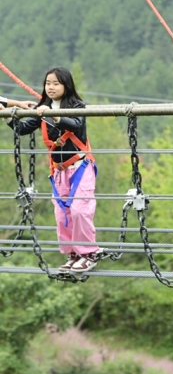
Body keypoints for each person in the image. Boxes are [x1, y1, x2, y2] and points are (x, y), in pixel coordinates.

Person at [5, 67, 99, 273]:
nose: (51, 87)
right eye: (48, 83)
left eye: (56, 83)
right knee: (62, 213)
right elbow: (23, 129)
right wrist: (8, 117)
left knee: (80, 210)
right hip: (59, 170)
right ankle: (74, 253)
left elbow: (75, 124)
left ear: (66, 85)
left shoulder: (77, 105)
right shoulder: (43, 109)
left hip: (80, 166)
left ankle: (88, 253)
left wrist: (53, 116)